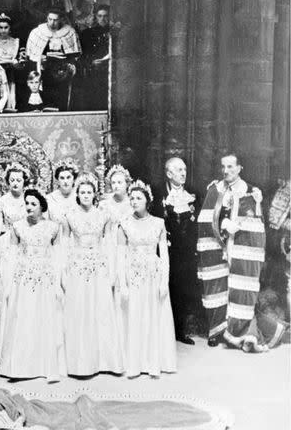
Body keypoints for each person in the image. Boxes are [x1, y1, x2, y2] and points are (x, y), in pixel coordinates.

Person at [197, 153, 283, 351]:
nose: (226, 171)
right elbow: (205, 219)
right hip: (217, 246)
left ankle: (237, 330)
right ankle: (217, 331)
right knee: (218, 286)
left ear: (240, 168)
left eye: (230, 167)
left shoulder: (250, 191)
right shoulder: (214, 189)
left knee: (237, 288)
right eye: (223, 167)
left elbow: (257, 224)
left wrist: (239, 227)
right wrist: (222, 225)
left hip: (239, 246)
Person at [0, 189, 64, 381]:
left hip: (44, 277)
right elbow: (11, 255)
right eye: (26, 203)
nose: (29, 207)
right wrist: (8, 283)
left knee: (42, 317)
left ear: (42, 206)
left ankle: (42, 366)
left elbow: (58, 257)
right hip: (23, 277)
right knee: (22, 317)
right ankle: (18, 367)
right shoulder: (17, 226)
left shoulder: (53, 227)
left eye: (33, 204)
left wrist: (58, 283)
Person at [61, 173, 124, 376]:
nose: (86, 195)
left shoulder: (104, 215)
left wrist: (112, 271)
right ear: (77, 194)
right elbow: (63, 246)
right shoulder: (69, 216)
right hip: (77, 265)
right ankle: (78, 363)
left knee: (101, 310)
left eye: (89, 192)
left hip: (99, 265)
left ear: (94, 193)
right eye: (82, 192)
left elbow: (110, 244)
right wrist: (63, 271)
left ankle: (105, 362)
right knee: (79, 310)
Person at [117, 181, 177, 378]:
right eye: (132, 198)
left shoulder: (159, 223)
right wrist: (123, 284)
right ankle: (135, 364)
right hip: (133, 274)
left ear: (147, 201)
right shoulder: (123, 224)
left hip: (154, 274)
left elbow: (165, 256)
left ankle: (153, 362)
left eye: (138, 198)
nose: (134, 201)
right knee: (135, 316)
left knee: (153, 317)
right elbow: (120, 257)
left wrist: (164, 282)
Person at [151, 157, 201, 345]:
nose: (183, 173)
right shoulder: (157, 193)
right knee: (165, 289)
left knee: (183, 291)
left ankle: (180, 331)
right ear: (168, 173)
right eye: (178, 170)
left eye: (184, 170)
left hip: (187, 253)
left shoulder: (194, 194)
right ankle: (163, 331)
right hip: (165, 251)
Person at [0, 164, 29, 341]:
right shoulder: (1, 202)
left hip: (28, 244)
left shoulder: (30, 200)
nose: (15, 183)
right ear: (7, 182)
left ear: (24, 181)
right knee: (8, 287)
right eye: (12, 180)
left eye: (18, 180)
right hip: (8, 245)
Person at [26, 8, 81, 111]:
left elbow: (75, 55)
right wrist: (40, 58)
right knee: (46, 100)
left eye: (55, 20)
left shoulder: (70, 32)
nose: (52, 22)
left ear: (61, 19)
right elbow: (31, 55)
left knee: (62, 100)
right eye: (50, 19)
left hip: (63, 73)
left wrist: (68, 62)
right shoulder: (37, 32)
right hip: (44, 72)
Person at [77, 4, 111, 110]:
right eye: (100, 16)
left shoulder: (113, 32)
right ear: (96, 17)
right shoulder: (87, 33)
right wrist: (91, 62)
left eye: (105, 16)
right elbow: (82, 55)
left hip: (109, 71)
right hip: (93, 72)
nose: (102, 19)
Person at [0, 14, 20, 111]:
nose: (3, 30)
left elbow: (20, 58)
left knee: (12, 94)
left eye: (6, 27)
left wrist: (16, 62)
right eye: (1, 27)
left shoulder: (16, 41)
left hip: (12, 73)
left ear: (10, 28)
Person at [98, 164, 134, 240]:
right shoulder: (104, 204)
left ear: (127, 183)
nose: (116, 186)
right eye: (113, 183)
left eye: (119, 182)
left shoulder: (133, 202)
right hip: (109, 241)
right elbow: (99, 229)